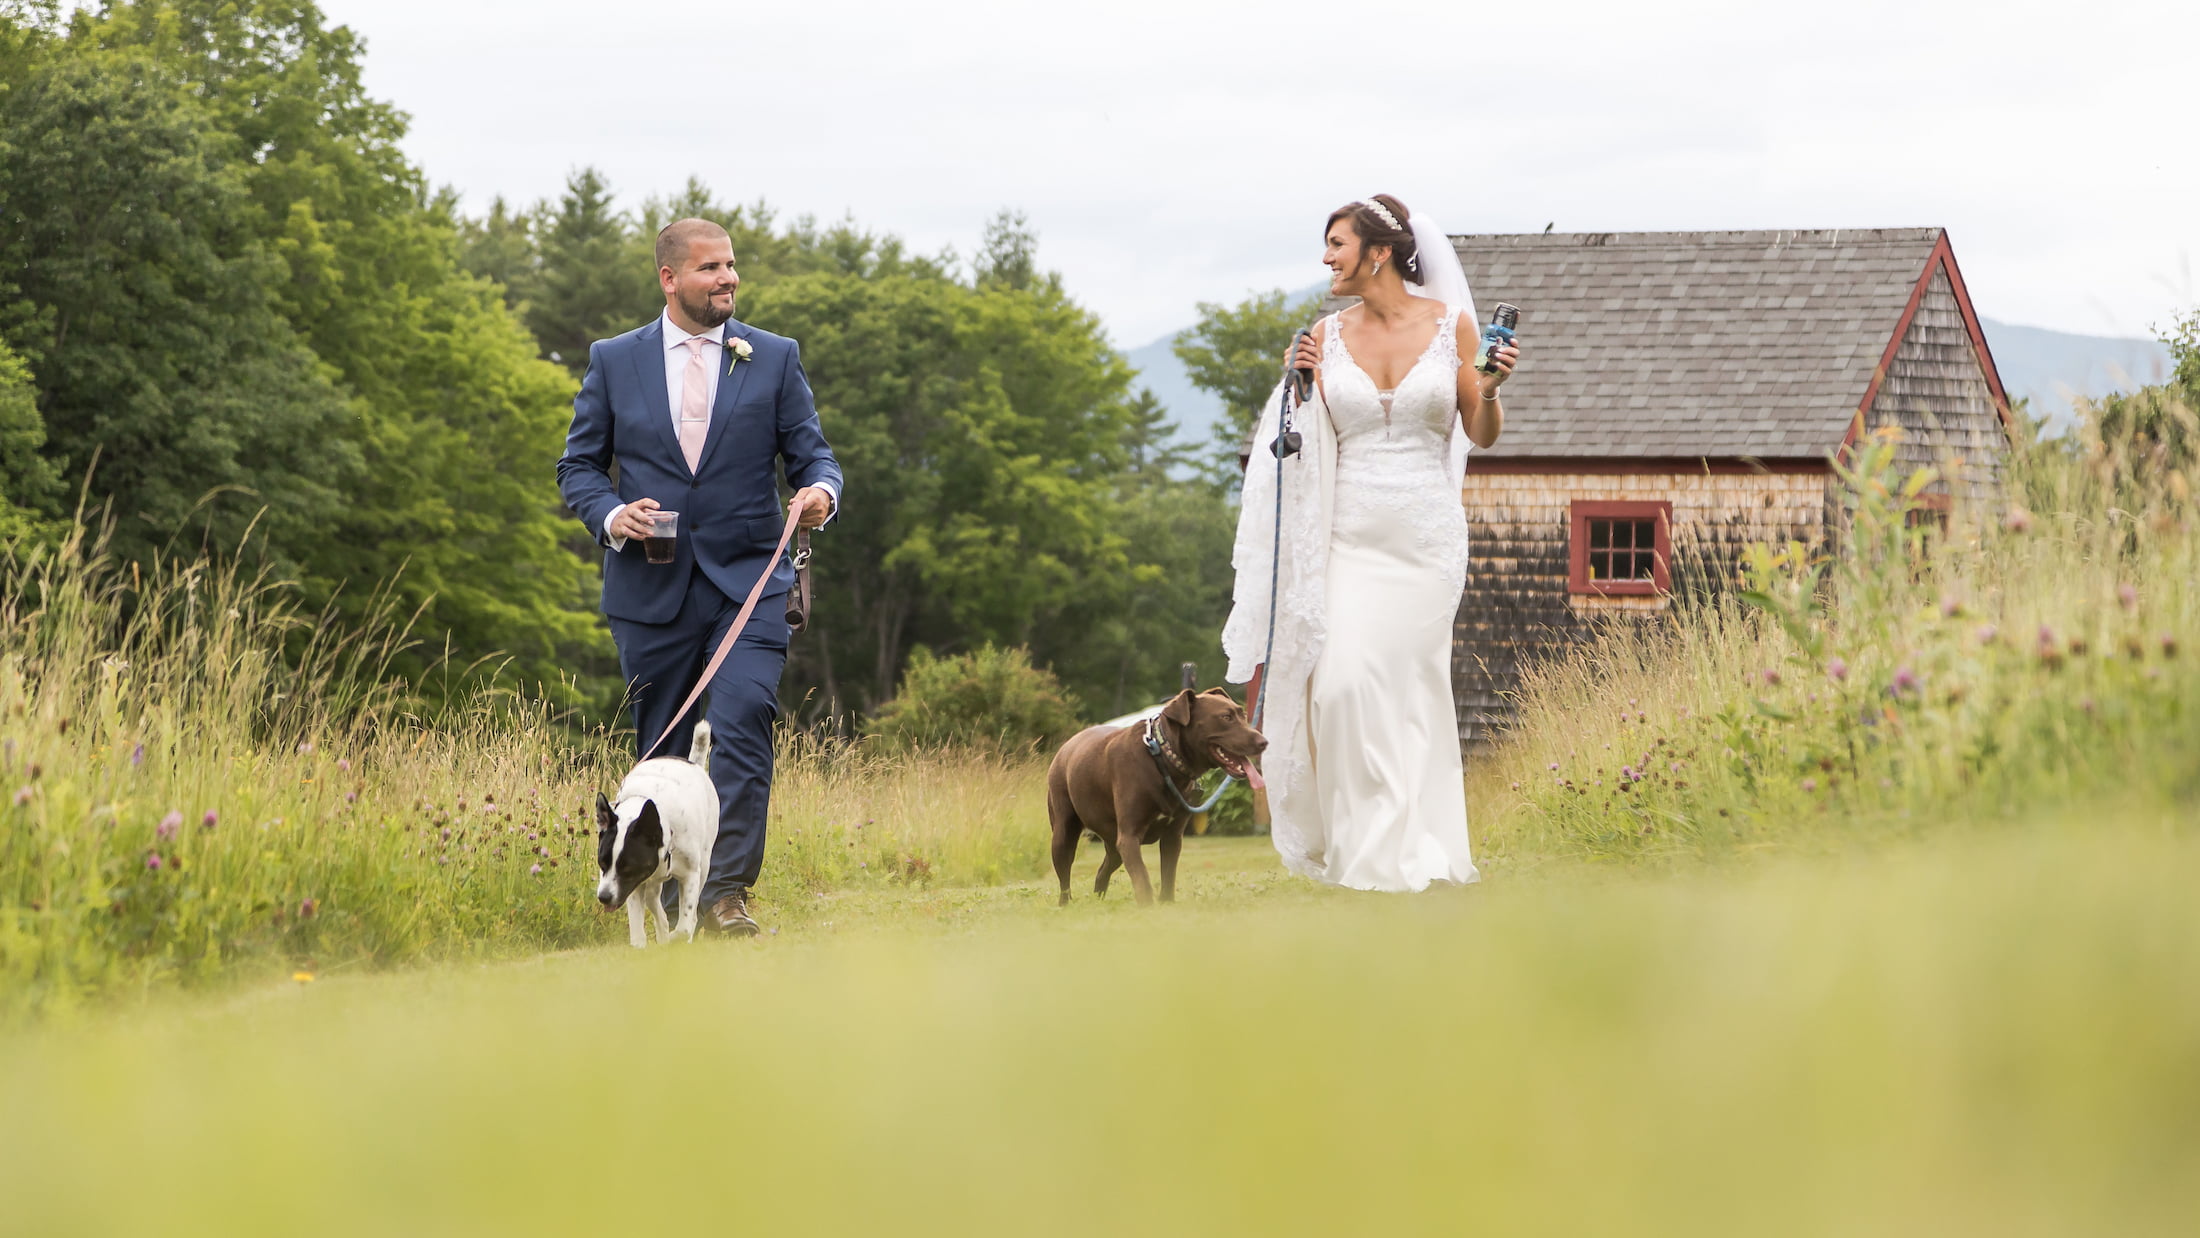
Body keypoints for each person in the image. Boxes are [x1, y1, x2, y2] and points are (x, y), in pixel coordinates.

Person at [1222, 194, 1517, 892]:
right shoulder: (1322, 339)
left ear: (1377, 252)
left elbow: (1481, 432)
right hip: (1345, 539)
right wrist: (1294, 386)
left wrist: (1494, 387)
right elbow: (1294, 447)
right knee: (1344, 688)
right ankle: (1365, 855)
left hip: (1424, 539)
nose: (1326, 258)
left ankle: (1421, 849)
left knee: (1411, 691)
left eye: (1336, 244)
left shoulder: (1454, 329)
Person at [556, 218, 842, 935]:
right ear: (669, 279)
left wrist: (820, 497)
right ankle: (655, 897)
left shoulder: (772, 358)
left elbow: (814, 458)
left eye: (732, 266)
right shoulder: (614, 360)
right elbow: (578, 467)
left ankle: (723, 896)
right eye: (711, 268)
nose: (728, 279)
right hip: (649, 589)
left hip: (750, 581)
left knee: (743, 720)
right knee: (662, 750)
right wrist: (613, 513)